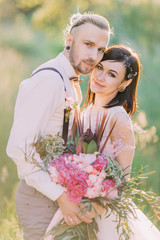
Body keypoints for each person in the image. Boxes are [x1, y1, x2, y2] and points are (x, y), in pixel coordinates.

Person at [6, 12, 111, 240]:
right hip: (39, 198)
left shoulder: (70, 80)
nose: (94, 56)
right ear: (69, 39)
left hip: (56, 194)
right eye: (88, 44)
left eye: (101, 50)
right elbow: (18, 148)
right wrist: (61, 196)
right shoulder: (50, 80)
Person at [81, 45, 160, 239]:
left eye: (111, 74)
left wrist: (94, 208)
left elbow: (123, 180)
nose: (100, 76)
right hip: (77, 204)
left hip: (101, 213)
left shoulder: (118, 117)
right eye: (99, 68)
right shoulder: (87, 109)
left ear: (124, 84)